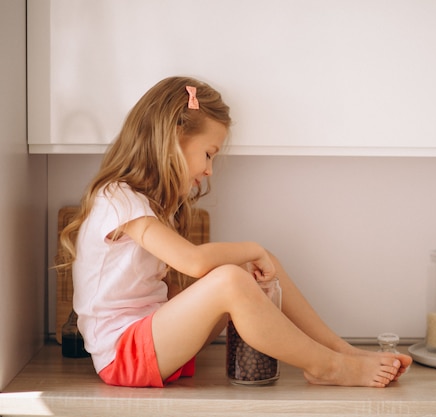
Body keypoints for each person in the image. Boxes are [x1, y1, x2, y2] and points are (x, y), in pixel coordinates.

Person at [57, 76, 413, 388]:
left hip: (151, 339)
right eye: (209, 154)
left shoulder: (146, 203)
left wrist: (256, 257)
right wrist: (252, 247)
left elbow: (168, 286)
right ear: (173, 138)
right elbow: (194, 262)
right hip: (123, 354)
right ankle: (328, 366)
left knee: (250, 270)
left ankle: (340, 350)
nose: (210, 170)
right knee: (232, 277)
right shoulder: (117, 198)